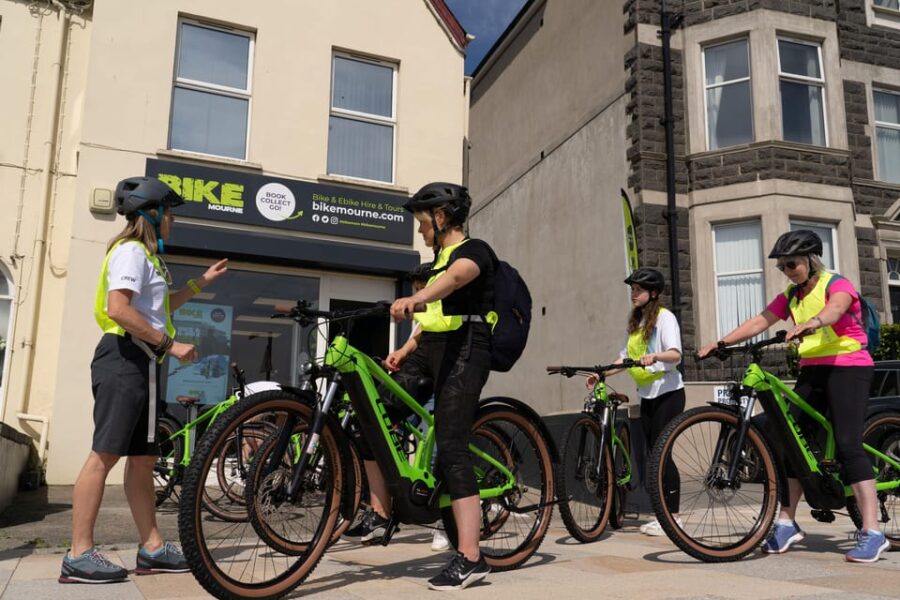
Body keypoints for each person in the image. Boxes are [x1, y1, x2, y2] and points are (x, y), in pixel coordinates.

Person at [60, 177, 228, 584]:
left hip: (140, 360)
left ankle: (151, 547)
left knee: (143, 458)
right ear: (151, 213)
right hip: (125, 358)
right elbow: (118, 309)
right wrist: (171, 345)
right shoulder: (131, 252)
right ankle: (78, 554)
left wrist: (200, 282)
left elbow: (158, 307)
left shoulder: (146, 257)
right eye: (168, 211)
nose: (172, 219)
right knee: (105, 453)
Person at [697, 229, 886, 563]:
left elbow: (837, 308)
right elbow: (762, 320)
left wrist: (813, 323)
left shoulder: (834, 283)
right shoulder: (792, 294)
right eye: (783, 266)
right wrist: (722, 341)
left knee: (847, 444)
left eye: (792, 264)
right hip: (813, 369)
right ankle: (786, 522)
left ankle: (872, 531)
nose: (787, 270)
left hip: (849, 365)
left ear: (811, 261)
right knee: (790, 441)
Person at [389, 182, 495, 590]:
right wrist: (406, 347)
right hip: (431, 346)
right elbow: (431, 314)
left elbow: (456, 279)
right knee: (375, 411)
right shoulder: (434, 262)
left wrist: (417, 299)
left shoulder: (474, 250)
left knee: (451, 444)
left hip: (467, 345)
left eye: (422, 222)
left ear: (442, 216)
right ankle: (380, 512)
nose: (419, 231)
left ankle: (471, 557)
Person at [587, 267, 684, 536]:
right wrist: (602, 372)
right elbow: (625, 356)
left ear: (652, 293)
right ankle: (661, 515)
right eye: (632, 289)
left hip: (669, 393)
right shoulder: (636, 323)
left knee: (663, 454)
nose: (634, 293)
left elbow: (675, 354)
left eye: (639, 289)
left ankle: (673, 517)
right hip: (648, 394)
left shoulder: (665, 318)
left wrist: (656, 357)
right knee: (653, 455)